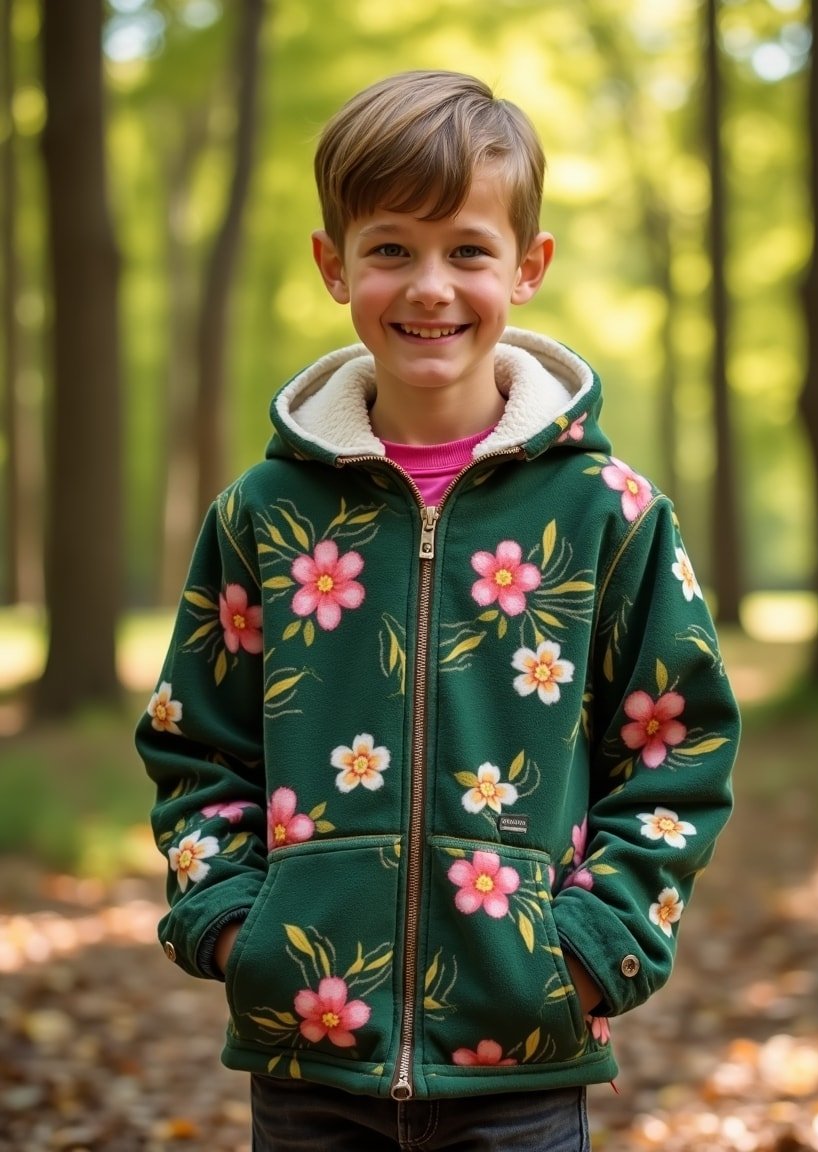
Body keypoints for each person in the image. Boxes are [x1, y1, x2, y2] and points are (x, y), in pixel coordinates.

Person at [136, 69, 739, 1151]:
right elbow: (196, 746)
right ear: (333, 266)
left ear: (527, 266)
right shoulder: (264, 516)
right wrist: (235, 927)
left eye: (466, 249)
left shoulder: (609, 516)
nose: (428, 287)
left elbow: (677, 749)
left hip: (520, 1055)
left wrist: (592, 946)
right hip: (307, 1043)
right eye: (388, 249)